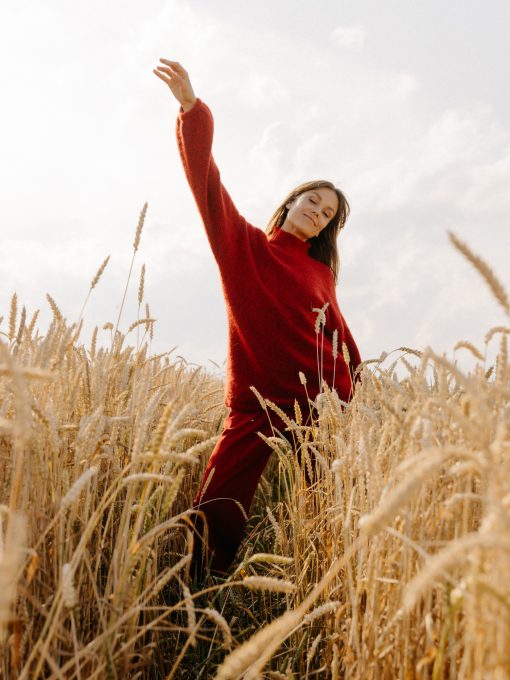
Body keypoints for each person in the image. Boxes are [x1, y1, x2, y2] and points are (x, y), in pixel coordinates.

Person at [153, 59, 362, 580]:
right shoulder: (244, 247)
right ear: (290, 203)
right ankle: (197, 591)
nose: (317, 212)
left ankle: (316, 588)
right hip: (252, 401)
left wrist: (351, 386)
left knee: (324, 505)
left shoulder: (320, 272)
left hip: (315, 405)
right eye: (311, 201)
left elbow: (338, 332)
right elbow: (207, 185)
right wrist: (190, 110)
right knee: (217, 504)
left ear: (325, 229)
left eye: (327, 214)